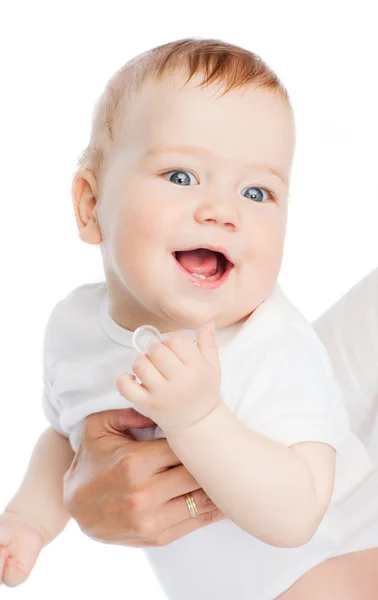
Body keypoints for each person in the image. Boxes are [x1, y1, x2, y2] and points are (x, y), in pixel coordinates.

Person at [0, 37, 377, 599]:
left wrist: (199, 419)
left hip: (334, 565)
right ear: (90, 205)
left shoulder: (271, 343)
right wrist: (27, 519)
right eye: (181, 177)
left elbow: (298, 513)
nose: (222, 211)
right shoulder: (74, 325)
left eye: (257, 191)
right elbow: (66, 437)